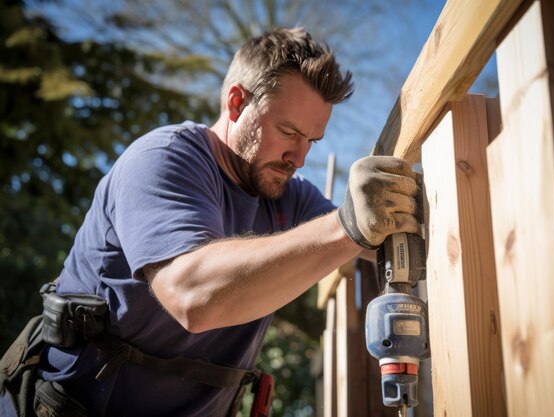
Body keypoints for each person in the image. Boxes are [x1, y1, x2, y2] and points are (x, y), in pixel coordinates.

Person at [0, 27, 420, 416]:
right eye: (289, 131)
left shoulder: (285, 193)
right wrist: (346, 225)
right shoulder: (164, 159)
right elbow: (193, 296)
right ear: (237, 103)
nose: (300, 157)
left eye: (311, 140)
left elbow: (371, 236)